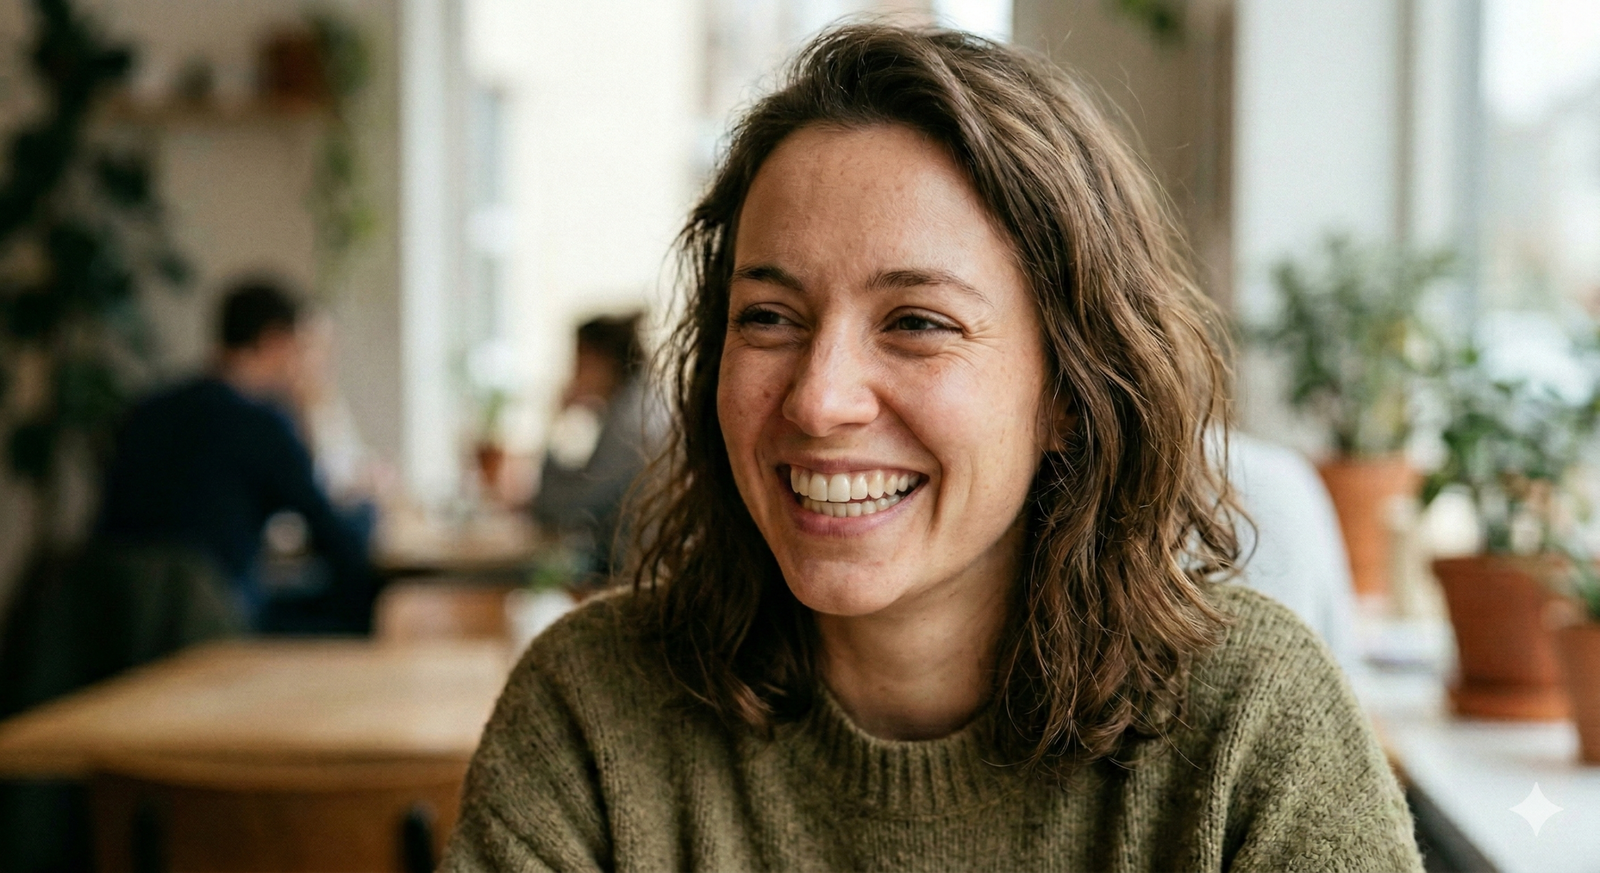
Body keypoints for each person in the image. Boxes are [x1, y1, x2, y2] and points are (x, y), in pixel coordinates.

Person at [444, 25, 1421, 871]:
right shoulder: (592, 712)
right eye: (771, 317)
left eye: (916, 321)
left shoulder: (1251, 724)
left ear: (1071, 394)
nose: (820, 399)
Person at [95, 278, 378, 633]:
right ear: (275, 341)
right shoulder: (261, 424)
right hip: (213, 626)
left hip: (119, 629)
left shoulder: (147, 410)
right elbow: (339, 544)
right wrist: (369, 507)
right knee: (361, 607)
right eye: (300, 350)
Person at [531, 313, 665, 583]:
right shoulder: (638, 407)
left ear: (602, 361)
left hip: (626, 579)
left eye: (579, 361)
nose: (572, 372)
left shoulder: (630, 424)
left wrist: (555, 423)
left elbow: (564, 509)